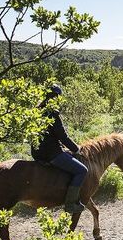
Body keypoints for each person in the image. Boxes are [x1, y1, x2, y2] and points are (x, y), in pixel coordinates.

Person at [31, 85, 87, 214]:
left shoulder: (37, 111)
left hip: (37, 153)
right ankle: (70, 205)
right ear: (55, 98)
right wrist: (76, 149)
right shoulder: (53, 114)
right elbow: (63, 137)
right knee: (81, 170)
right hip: (51, 154)